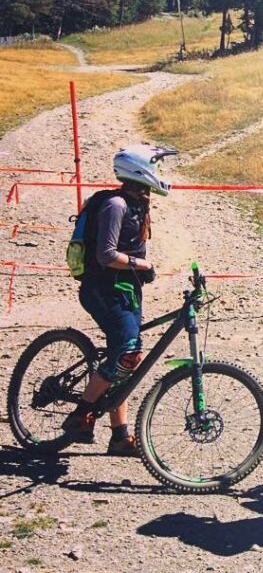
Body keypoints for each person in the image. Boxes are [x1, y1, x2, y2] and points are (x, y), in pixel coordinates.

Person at [61, 144, 174, 456]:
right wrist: (143, 265)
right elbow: (106, 254)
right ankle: (80, 414)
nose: (161, 174)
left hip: (125, 289)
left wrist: (139, 271)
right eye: (157, 167)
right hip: (102, 289)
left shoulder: (138, 203)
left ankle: (120, 436)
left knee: (125, 360)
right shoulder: (115, 205)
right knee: (127, 354)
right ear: (141, 170)